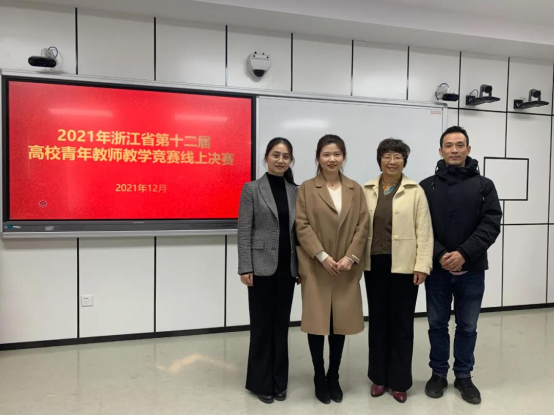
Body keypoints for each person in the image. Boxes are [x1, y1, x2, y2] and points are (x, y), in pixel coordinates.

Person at [420, 126, 502, 405]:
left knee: (467, 327)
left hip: (472, 270)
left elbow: (491, 224)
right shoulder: (426, 186)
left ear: (468, 149)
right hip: (437, 270)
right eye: (448, 145)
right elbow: (420, 227)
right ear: (440, 150)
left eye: (459, 145)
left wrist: (464, 253)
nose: (454, 150)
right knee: (436, 324)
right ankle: (438, 374)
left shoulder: (484, 185)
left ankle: (464, 376)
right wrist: (441, 254)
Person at [296, 134, 369, 405]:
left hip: (345, 268)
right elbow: (302, 225)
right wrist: (322, 255)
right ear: (318, 157)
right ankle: (319, 376)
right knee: (317, 324)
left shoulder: (354, 189)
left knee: (340, 323)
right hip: (317, 266)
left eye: (337, 154)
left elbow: (363, 226)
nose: (332, 159)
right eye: (326, 154)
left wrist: (351, 256)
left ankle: (333, 375)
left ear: (343, 157)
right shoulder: (307, 188)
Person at [363, 138, 434, 404]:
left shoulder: (415, 191)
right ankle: (379, 377)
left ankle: (399, 381)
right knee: (378, 322)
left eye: (398, 157)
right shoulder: (367, 189)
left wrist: (422, 265)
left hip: (405, 266)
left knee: (402, 324)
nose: (392, 161)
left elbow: (424, 231)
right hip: (374, 265)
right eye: (387, 156)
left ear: (404, 161)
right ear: (379, 159)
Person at [238, 138, 299, 405]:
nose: (280, 160)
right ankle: (260, 383)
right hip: (260, 267)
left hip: (287, 269)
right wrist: (245, 266)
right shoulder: (251, 189)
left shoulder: (295, 191)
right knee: (262, 326)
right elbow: (244, 230)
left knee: (281, 327)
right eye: (276, 155)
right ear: (266, 158)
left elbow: (299, 232)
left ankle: (279, 381)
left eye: (286, 156)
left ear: (290, 161)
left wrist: (300, 266)